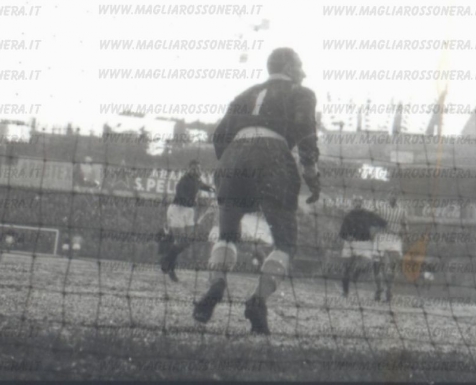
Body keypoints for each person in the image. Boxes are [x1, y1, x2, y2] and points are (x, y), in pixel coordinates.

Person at [193, 48, 320, 334]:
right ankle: (257, 301)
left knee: (226, 235)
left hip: (233, 157)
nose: (303, 71)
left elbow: (219, 136)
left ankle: (217, 283)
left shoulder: (245, 94)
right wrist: (311, 172)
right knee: (285, 243)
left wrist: (231, 165)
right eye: (300, 65)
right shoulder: (302, 93)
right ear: (287, 66)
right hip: (273, 157)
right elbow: (306, 132)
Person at [158, 160, 213, 282]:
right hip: (178, 210)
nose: (196, 171)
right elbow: (181, 197)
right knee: (181, 241)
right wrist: (195, 202)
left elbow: (205, 187)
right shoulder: (183, 182)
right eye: (194, 168)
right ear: (189, 170)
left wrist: (214, 190)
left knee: (187, 241)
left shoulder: (197, 180)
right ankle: (169, 266)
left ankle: (166, 260)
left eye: (198, 168)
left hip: (188, 211)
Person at [339, 197, 387, 298]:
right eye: (355, 202)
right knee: (345, 268)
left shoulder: (368, 214)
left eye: (359, 202)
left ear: (362, 203)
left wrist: (375, 232)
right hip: (350, 243)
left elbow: (383, 223)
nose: (357, 204)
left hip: (365, 243)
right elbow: (341, 233)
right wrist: (347, 237)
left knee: (367, 264)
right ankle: (345, 291)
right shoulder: (348, 216)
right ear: (353, 203)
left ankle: (356, 273)